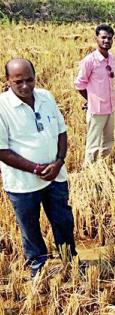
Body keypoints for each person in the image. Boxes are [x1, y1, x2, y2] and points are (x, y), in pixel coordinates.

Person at [0, 58, 76, 277]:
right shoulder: (3, 106)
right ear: (8, 81)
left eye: (29, 80)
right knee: (30, 228)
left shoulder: (46, 97)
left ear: (35, 77)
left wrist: (59, 161)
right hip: (22, 184)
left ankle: (69, 261)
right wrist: (35, 168)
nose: (25, 86)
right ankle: (38, 269)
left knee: (63, 221)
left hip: (56, 177)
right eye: (19, 82)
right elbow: (2, 150)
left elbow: (62, 131)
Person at [75, 24, 115, 165]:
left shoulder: (111, 58)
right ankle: (89, 174)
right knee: (93, 145)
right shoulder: (89, 61)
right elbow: (79, 84)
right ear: (96, 39)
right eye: (103, 37)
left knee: (108, 142)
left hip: (111, 108)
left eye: (109, 38)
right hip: (97, 110)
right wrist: (90, 99)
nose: (106, 41)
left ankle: (103, 169)